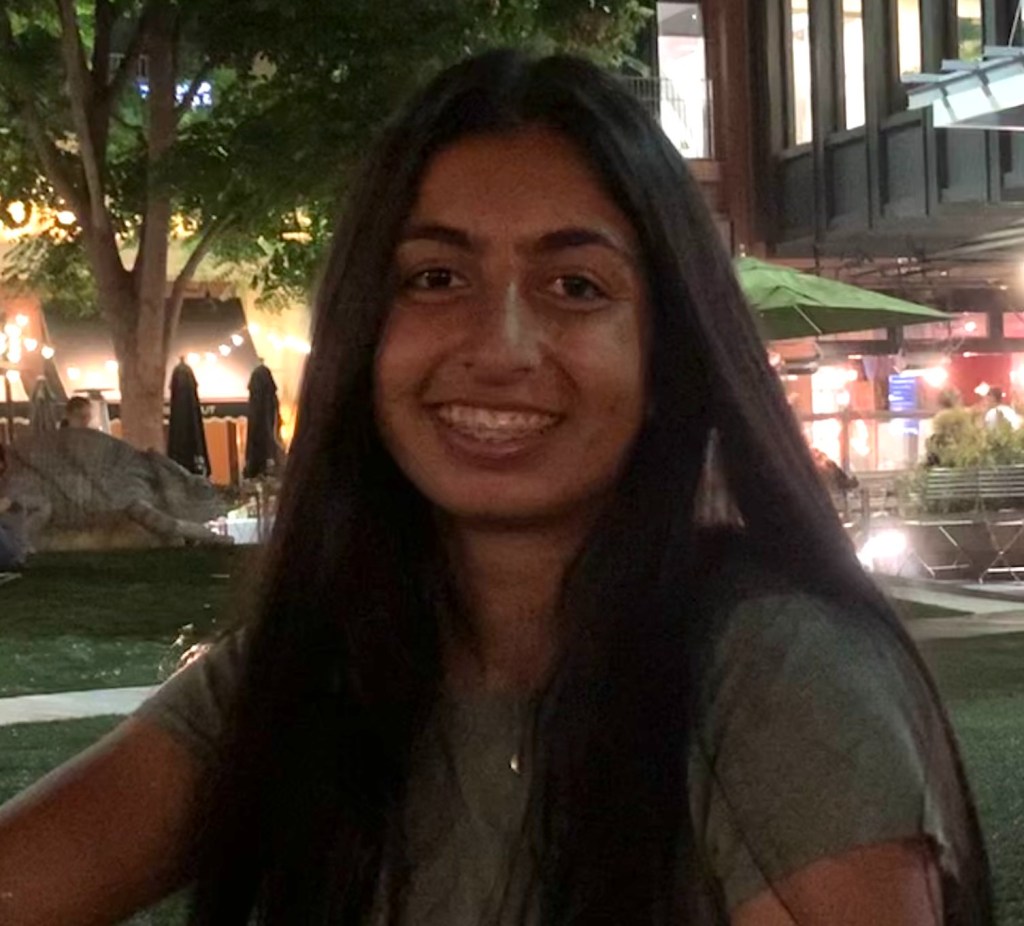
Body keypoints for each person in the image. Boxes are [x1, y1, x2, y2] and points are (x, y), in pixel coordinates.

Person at [0, 51, 991, 926]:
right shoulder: (313, 668)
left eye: (575, 287)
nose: (499, 347)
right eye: (435, 278)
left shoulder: (773, 675)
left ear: (665, 354)